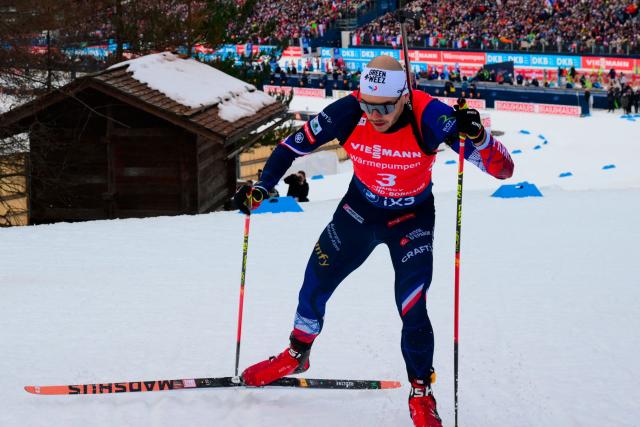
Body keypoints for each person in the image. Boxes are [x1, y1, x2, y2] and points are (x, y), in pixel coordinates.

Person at [233, 55, 514, 427]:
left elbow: (503, 170)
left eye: (384, 106)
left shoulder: (430, 115)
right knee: (315, 281)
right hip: (359, 212)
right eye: (368, 104)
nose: (375, 114)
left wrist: (478, 135)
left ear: (403, 97)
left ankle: (420, 393)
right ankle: (297, 353)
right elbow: (290, 147)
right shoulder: (347, 111)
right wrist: (263, 186)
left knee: (412, 306)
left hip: (410, 219)